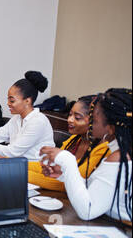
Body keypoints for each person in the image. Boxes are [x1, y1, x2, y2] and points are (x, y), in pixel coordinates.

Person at [40, 88, 132, 223]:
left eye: (93, 121)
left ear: (111, 127)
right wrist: (64, 174)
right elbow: (100, 190)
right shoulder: (119, 151)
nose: (90, 125)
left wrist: (67, 160)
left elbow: (87, 210)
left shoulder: (120, 157)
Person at [29, 95, 110, 191]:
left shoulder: (104, 149)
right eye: (70, 115)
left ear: (95, 120)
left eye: (77, 117)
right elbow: (51, 168)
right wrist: (16, 164)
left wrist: (20, 173)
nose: (69, 120)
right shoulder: (74, 140)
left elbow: (69, 183)